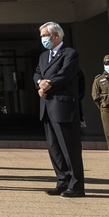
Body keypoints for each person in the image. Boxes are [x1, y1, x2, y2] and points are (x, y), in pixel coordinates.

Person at [33, 22, 85, 197]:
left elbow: (65, 74)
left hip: (63, 108)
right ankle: (62, 181)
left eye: (44, 36)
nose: (42, 39)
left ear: (55, 36)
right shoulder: (43, 56)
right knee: (54, 149)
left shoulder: (70, 53)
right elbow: (37, 73)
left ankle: (76, 185)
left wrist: (48, 84)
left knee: (69, 148)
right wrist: (40, 83)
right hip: (47, 108)